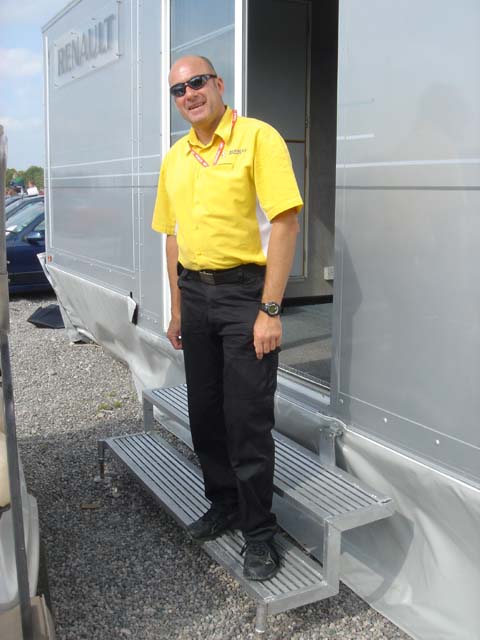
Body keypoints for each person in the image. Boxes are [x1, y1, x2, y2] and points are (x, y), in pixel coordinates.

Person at [152, 55, 303, 581]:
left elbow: (285, 222)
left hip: (245, 296)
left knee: (247, 419)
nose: (189, 94)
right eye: (178, 89)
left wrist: (270, 310)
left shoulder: (258, 138)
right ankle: (224, 503)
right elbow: (172, 236)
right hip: (195, 296)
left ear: (218, 84)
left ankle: (259, 532)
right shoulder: (176, 157)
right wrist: (177, 307)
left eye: (197, 82)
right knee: (205, 412)